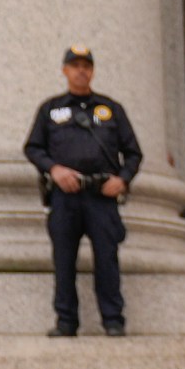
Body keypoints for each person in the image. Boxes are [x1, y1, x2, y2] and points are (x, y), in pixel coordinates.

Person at [24, 46, 141, 338]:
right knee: (64, 259)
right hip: (66, 196)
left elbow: (134, 153)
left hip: (102, 195)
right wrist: (54, 170)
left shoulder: (111, 109)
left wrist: (122, 180)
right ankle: (66, 321)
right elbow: (33, 148)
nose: (81, 71)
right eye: (74, 65)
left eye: (86, 66)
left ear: (92, 70)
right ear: (64, 70)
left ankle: (113, 320)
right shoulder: (51, 109)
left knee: (107, 259)